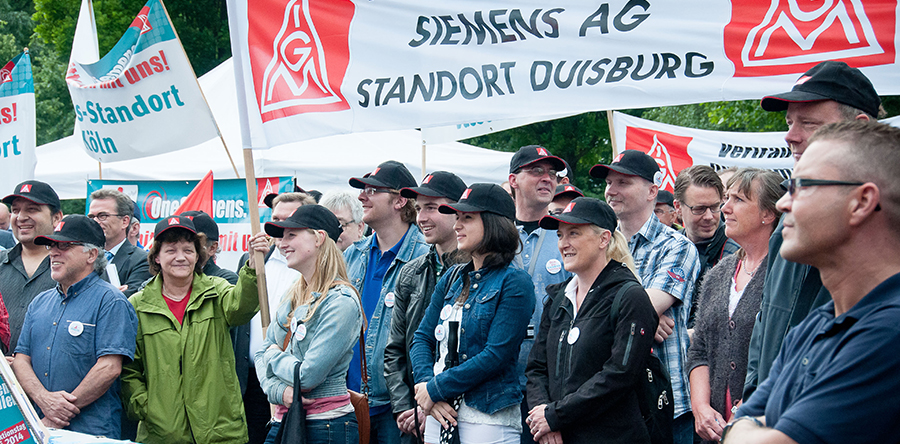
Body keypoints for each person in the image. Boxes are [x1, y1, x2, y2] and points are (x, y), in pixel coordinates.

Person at [724, 120, 900, 443]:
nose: (782, 203)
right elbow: (749, 417)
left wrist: (746, 428)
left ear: (862, 202)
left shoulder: (889, 332)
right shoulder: (817, 324)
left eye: (800, 186)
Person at [743, 61, 882, 400]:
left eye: (809, 123)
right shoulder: (788, 221)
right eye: (790, 122)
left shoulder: (885, 224)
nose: (791, 136)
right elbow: (766, 317)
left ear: (859, 128)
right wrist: (753, 394)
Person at [120, 215, 269, 444]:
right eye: (171, 250)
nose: (180, 257)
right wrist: (146, 407)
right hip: (161, 435)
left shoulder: (216, 291)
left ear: (198, 256)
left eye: (188, 250)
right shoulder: (138, 305)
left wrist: (252, 266)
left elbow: (241, 308)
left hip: (220, 432)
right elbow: (129, 369)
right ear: (157, 257)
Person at [525, 197, 658, 444]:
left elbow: (620, 375)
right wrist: (544, 418)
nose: (563, 244)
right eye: (560, 235)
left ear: (603, 239)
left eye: (574, 233)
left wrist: (554, 416)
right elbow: (536, 368)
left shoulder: (630, 297)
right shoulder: (558, 298)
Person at [410, 183, 534, 444]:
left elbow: (496, 355)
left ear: (493, 223)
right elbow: (422, 337)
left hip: (487, 416)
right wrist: (425, 386)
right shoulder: (452, 276)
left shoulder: (515, 282)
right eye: (457, 217)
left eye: (467, 218)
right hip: (439, 411)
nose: (457, 225)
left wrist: (436, 388)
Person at [591, 150, 701, 444]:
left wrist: (639, 316)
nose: (611, 190)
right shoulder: (598, 244)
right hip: (610, 404)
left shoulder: (677, 246)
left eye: (623, 182)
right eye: (609, 182)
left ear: (653, 191)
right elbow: (584, 312)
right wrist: (644, 320)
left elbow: (612, 313)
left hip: (665, 403)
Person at [12, 215, 138, 437]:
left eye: (65, 246)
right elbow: (21, 359)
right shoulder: (40, 302)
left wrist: (57, 413)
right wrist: (43, 399)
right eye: (52, 246)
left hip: (91, 433)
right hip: (41, 427)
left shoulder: (111, 301)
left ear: (92, 254)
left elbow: (109, 367)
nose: (53, 252)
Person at [685, 169, 782, 443]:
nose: (725, 208)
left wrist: (748, 408)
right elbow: (699, 349)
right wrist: (700, 408)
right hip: (713, 430)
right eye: (727, 198)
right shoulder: (719, 273)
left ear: (768, 213)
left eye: (738, 199)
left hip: (766, 427)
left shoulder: (785, 273)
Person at [256, 205, 363, 444]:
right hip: (284, 420)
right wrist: (280, 391)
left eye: (291, 235)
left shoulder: (341, 301)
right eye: (282, 236)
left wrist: (273, 355)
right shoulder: (294, 294)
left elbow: (306, 377)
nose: (282, 244)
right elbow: (260, 354)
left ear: (319, 238)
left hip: (325, 427)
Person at [345, 160, 430, 444]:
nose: (361, 197)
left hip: (399, 409)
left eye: (372, 190)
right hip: (350, 401)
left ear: (400, 200)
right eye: (362, 190)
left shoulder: (426, 257)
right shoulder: (352, 255)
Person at [385, 171, 468, 442]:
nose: (421, 217)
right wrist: (406, 406)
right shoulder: (410, 272)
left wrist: (430, 400)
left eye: (431, 207)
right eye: (419, 208)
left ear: (459, 211)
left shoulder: (482, 271)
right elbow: (396, 349)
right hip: (414, 417)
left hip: (463, 412)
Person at [507, 145, 572, 444]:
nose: (547, 178)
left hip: (553, 386)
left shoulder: (568, 234)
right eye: (536, 171)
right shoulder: (495, 234)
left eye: (552, 173)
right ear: (513, 180)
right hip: (500, 384)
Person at [235, 191, 311, 444]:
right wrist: (250, 265)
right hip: (253, 379)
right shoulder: (256, 259)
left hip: (292, 382)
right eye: (276, 219)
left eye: (290, 220)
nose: (280, 226)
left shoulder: (310, 264)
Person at [0, 180, 63, 354]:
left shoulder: (74, 268)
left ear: (56, 218)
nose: (21, 217)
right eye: (15, 210)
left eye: (32, 209)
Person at [673, 165, 739, 329]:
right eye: (699, 209)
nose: (709, 216)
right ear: (678, 207)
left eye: (715, 207)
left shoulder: (737, 251)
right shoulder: (667, 247)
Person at [88, 189, 151, 296]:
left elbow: (129, 299)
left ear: (124, 221)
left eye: (102, 216)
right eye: (91, 217)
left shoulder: (142, 260)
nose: (95, 222)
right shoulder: (82, 256)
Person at [182, 211, 238, 284]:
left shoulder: (225, 280)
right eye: (173, 244)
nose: (180, 256)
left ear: (212, 248)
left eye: (193, 244)